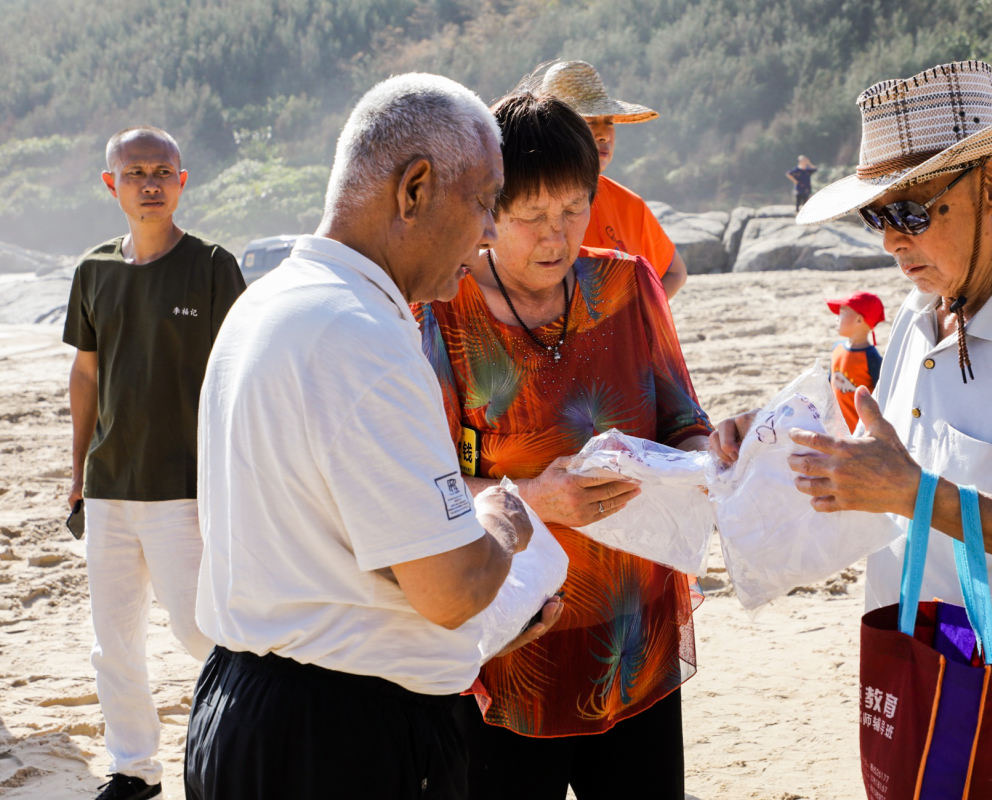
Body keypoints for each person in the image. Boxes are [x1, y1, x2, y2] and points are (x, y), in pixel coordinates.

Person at [712, 60, 992, 800]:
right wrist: (773, 437)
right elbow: (885, 462)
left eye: (913, 214)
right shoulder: (923, 314)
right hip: (922, 710)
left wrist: (919, 495)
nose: (892, 241)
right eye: (877, 217)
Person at [185, 74, 559, 800]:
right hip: (339, 737)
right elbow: (451, 591)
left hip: (243, 705)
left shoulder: (269, 304)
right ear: (414, 189)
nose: (489, 232)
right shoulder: (363, 338)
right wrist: (501, 527)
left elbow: (321, 546)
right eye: (484, 201)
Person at [414, 92, 712, 800]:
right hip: (515, 640)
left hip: (634, 635)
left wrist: (705, 461)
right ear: (488, 209)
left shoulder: (629, 285)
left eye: (574, 209)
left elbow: (683, 418)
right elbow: (428, 489)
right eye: (532, 216)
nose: (556, 237)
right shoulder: (443, 314)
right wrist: (535, 499)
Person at [63, 126, 244, 800]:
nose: (150, 184)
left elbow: (241, 373)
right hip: (110, 486)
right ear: (111, 184)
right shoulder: (93, 271)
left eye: (162, 171)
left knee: (202, 632)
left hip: (187, 487)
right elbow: (86, 374)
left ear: (182, 181)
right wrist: (77, 472)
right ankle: (135, 769)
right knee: (113, 642)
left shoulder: (213, 266)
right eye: (135, 172)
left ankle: (234, 749)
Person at [538, 59, 689, 300]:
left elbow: (674, 273)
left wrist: (636, 315)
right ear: (554, 130)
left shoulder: (629, 205)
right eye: (590, 122)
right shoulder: (519, 199)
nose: (603, 135)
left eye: (608, 122)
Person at [826, 291, 884, 431]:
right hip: (838, 430)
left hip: (861, 433)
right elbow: (829, 385)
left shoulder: (871, 358)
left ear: (859, 320)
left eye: (842, 313)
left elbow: (883, 397)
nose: (836, 318)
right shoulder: (837, 348)